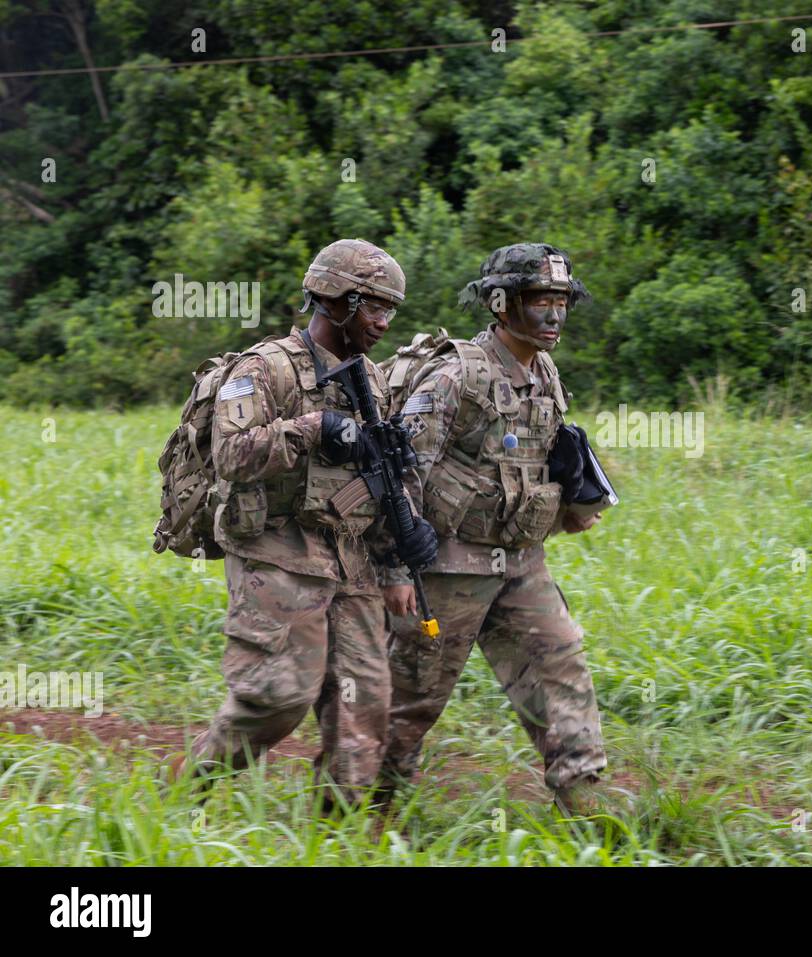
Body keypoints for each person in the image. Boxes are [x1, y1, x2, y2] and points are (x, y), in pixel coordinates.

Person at [173, 238, 438, 809]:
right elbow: (232, 456)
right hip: (277, 547)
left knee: (363, 707)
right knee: (279, 695)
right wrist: (313, 428)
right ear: (336, 300)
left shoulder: (375, 380)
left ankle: (333, 837)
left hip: (353, 557)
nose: (384, 323)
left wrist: (399, 555)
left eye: (391, 310)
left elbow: (394, 473)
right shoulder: (264, 369)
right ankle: (182, 794)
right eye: (374, 308)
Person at [380, 242, 611, 815]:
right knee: (411, 698)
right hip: (449, 569)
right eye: (540, 300)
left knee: (560, 666)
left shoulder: (545, 370)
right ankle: (357, 805)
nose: (555, 314)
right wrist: (393, 567)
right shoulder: (457, 375)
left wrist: (572, 500)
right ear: (502, 303)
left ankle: (582, 802)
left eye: (562, 301)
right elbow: (402, 471)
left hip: (521, 562)